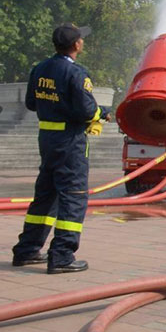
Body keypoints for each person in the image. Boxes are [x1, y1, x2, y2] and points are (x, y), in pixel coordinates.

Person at [12, 23, 110, 274]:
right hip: (70, 142)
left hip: (47, 138)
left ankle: (27, 250)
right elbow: (88, 110)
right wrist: (103, 113)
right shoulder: (76, 73)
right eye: (81, 40)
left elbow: (32, 104)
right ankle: (62, 256)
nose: (83, 43)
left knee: (46, 194)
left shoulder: (40, 68)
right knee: (73, 196)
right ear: (76, 44)